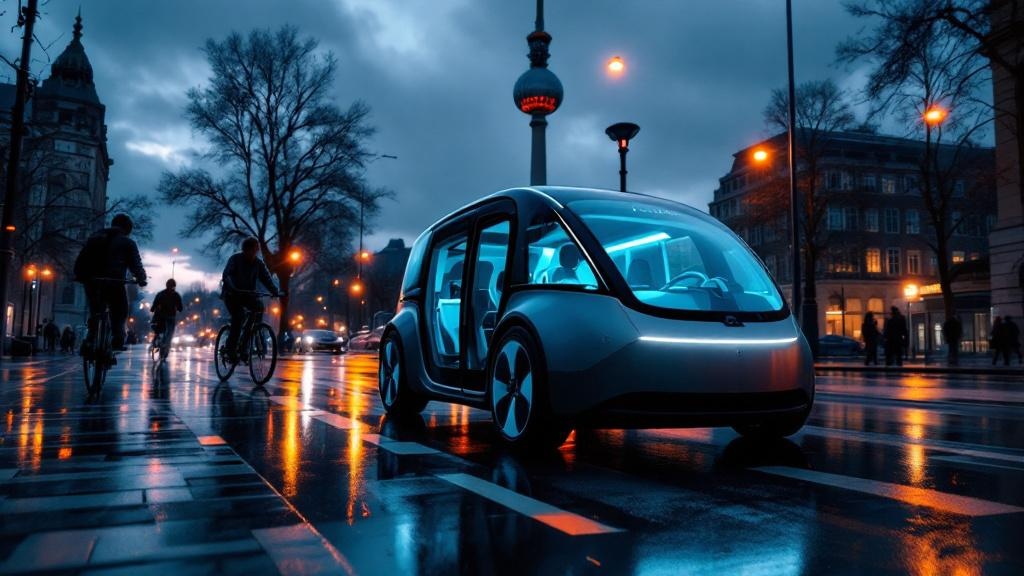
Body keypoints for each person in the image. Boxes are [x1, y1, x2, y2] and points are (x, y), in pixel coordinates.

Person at [73, 214, 148, 356]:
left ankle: (90, 340)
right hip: (114, 282)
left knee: (95, 311)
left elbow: (82, 258)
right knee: (120, 311)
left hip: (92, 281)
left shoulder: (94, 237)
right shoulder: (127, 243)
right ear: (127, 229)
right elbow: (136, 264)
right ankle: (117, 339)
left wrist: (80, 275)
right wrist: (141, 278)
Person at [221, 237, 281, 362]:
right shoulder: (235, 259)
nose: (254, 253)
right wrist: (232, 287)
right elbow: (227, 275)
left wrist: (275, 291)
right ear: (245, 250)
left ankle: (246, 345)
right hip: (232, 295)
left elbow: (266, 278)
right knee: (238, 317)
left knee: (259, 308)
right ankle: (231, 349)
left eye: (255, 251)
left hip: (248, 295)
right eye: (251, 251)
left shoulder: (258, 263)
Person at [150, 279, 184, 360]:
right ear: (174, 286)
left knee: (157, 334)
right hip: (170, 318)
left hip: (159, 317)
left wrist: (153, 309)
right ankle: (164, 352)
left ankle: (155, 354)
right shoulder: (176, 295)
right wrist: (178, 308)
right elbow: (180, 308)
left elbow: (153, 306)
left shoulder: (160, 294)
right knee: (169, 336)